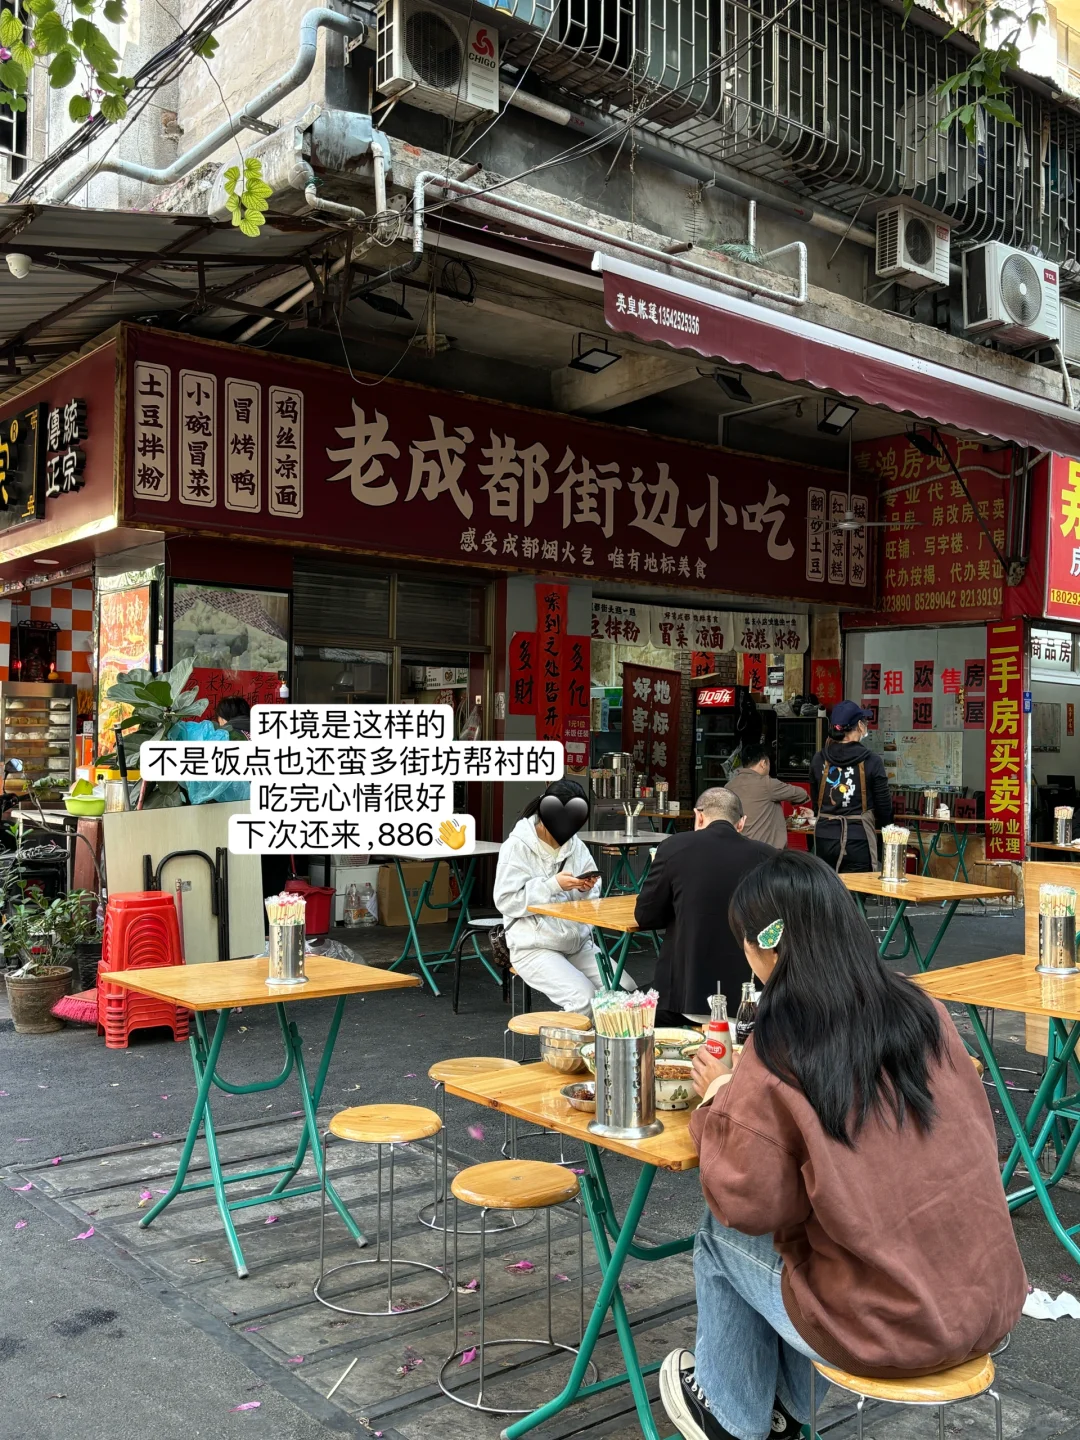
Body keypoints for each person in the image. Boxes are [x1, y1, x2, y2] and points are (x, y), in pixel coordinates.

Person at [659, 850, 1026, 1440]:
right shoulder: (923, 1010)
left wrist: (721, 1095)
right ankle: (784, 1412)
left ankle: (730, 1419)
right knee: (810, 1233)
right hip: (986, 1302)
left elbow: (747, 1202)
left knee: (720, 1235)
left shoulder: (783, 1040)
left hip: (885, 1329)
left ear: (763, 947)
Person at [494, 780, 635, 1012]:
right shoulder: (517, 846)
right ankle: (566, 1036)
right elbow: (506, 901)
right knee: (584, 1000)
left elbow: (593, 898)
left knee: (625, 993)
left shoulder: (576, 845)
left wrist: (585, 889)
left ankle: (601, 1036)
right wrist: (553, 886)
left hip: (577, 943)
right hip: (533, 947)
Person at [634, 788, 772, 1025]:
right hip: (749, 1001)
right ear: (741, 823)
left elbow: (645, 916)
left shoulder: (673, 847)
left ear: (698, 816)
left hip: (684, 997)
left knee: (632, 1009)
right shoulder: (768, 856)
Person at [809, 700, 892, 872]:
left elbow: (817, 803)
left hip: (825, 837)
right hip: (858, 840)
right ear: (860, 726)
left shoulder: (819, 758)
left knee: (827, 886)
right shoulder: (872, 760)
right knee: (857, 889)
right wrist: (885, 833)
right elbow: (884, 807)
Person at [724, 745, 809, 850]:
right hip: (765, 851)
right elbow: (801, 794)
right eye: (769, 764)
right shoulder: (767, 784)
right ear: (763, 763)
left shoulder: (728, 787)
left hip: (736, 849)